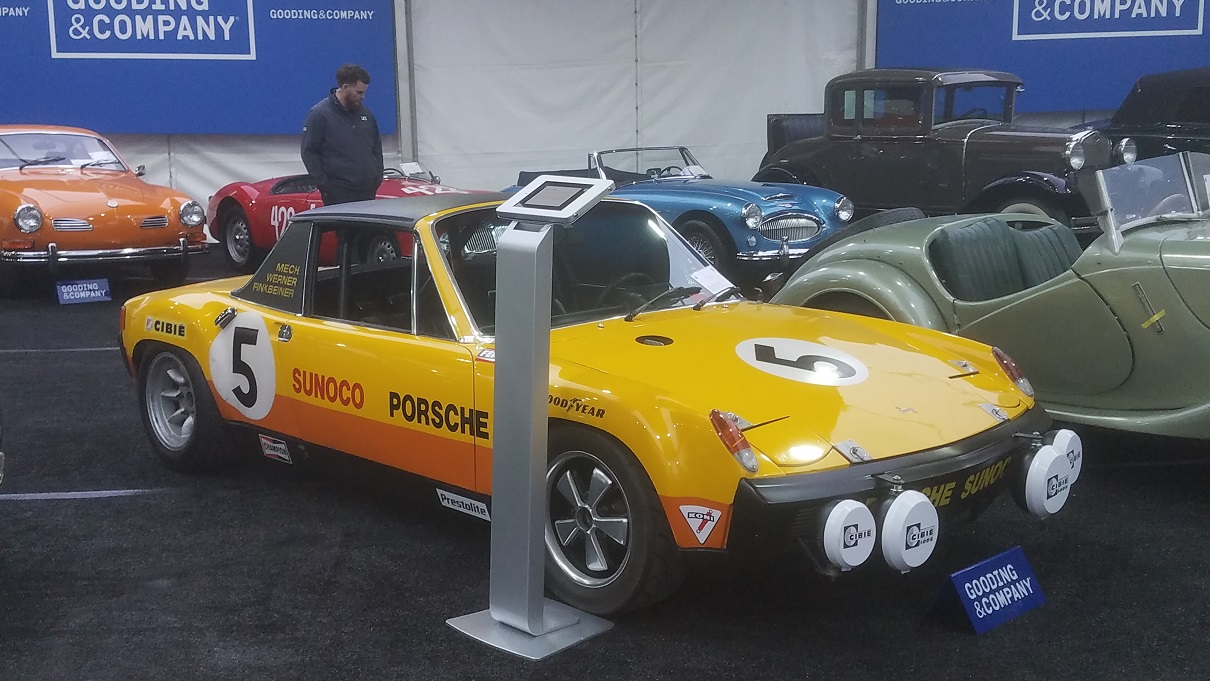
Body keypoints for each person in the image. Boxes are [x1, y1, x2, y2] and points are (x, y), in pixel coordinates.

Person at [301, 63, 384, 206]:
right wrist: (326, 186)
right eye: (359, 92)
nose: (363, 97)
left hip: (367, 191)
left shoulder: (366, 114)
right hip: (338, 193)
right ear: (345, 87)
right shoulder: (319, 114)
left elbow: (376, 147)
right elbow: (309, 152)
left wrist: (377, 177)